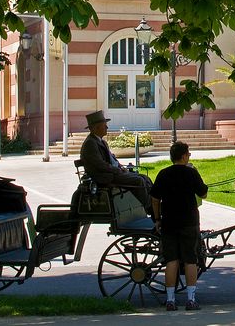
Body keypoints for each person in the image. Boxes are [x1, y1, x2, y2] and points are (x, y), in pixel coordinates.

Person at [151, 141, 208, 311]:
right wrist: (196, 173)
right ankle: (190, 299)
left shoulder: (163, 173)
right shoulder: (191, 173)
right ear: (183, 156)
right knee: (191, 260)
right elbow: (203, 194)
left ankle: (170, 300)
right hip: (189, 222)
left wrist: (157, 218)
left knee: (171, 261)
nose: (189, 156)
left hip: (169, 221)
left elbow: (155, 199)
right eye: (188, 154)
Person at [78, 110, 153, 214]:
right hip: (104, 176)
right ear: (96, 128)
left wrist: (120, 166)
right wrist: (117, 170)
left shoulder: (101, 141)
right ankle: (149, 208)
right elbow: (100, 164)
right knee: (138, 181)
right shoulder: (90, 143)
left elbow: (111, 158)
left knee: (145, 178)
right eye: (104, 126)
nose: (107, 128)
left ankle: (154, 203)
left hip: (112, 172)